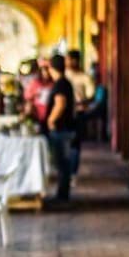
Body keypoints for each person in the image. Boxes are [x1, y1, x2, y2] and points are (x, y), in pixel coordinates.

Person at [45, 54, 75, 201]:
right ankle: (63, 192)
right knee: (64, 162)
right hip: (65, 127)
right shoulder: (64, 83)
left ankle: (62, 194)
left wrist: (51, 120)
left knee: (62, 162)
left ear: (52, 68)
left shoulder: (60, 84)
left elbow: (60, 103)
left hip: (61, 128)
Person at [65, 50, 95, 179]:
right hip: (65, 112)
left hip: (78, 112)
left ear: (76, 60)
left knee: (75, 143)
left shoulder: (84, 77)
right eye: (67, 59)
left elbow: (91, 95)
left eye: (70, 59)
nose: (68, 62)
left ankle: (72, 172)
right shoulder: (64, 75)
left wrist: (80, 102)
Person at [23, 58, 53, 131]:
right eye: (44, 70)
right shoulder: (35, 83)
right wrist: (34, 94)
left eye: (48, 70)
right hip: (37, 115)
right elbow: (27, 96)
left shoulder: (53, 83)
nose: (46, 72)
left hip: (50, 114)